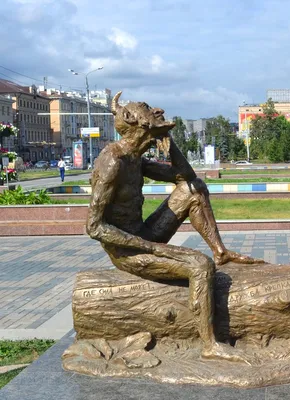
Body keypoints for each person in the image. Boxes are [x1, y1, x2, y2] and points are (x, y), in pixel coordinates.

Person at [87, 92, 264, 363]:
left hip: (143, 235)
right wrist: (149, 247)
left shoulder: (136, 159)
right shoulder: (113, 162)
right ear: (135, 122)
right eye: (147, 108)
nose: (157, 108)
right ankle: (209, 345)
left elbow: (187, 177)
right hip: (127, 251)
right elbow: (95, 227)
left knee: (194, 190)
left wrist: (171, 144)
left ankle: (221, 252)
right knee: (199, 266)